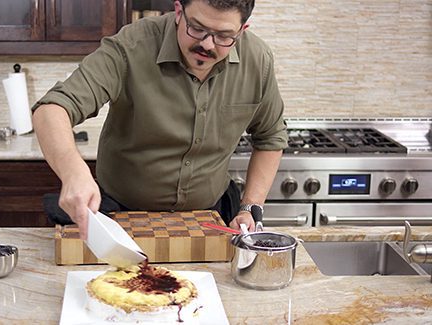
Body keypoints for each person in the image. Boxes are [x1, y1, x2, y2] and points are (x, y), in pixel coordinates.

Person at [32, 0, 288, 240]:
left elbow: (270, 138)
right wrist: (74, 171)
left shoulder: (257, 61)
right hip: (121, 214)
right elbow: (51, 109)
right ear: (179, 11)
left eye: (223, 36)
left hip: (209, 217)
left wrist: (250, 206)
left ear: (242, 30)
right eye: (197, 28)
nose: (208, 44)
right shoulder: (130, 47)